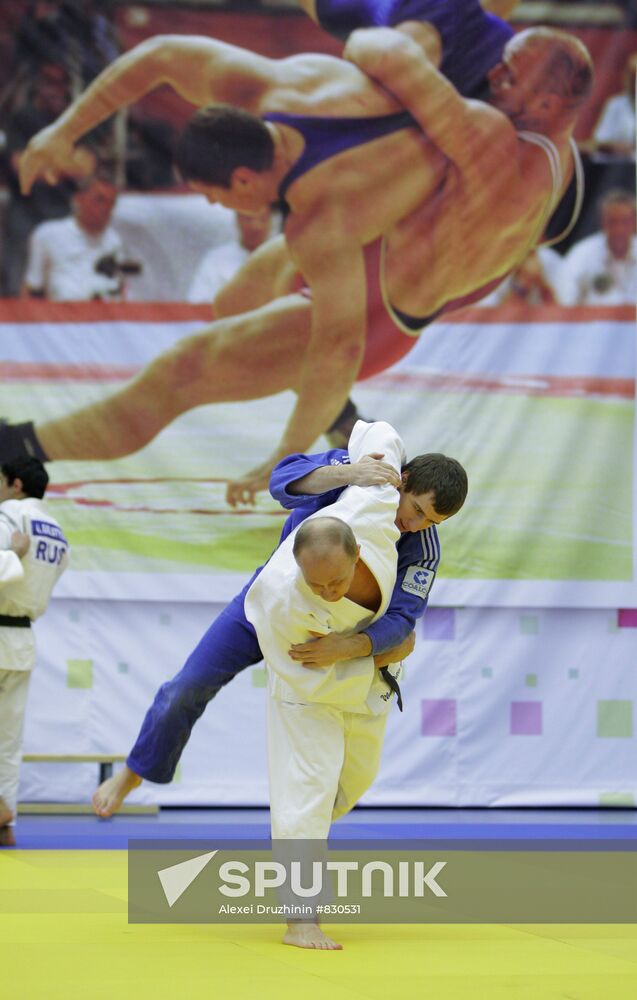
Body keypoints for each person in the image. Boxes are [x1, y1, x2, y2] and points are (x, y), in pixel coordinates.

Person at [13, 20, 592, 495]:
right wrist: (61, 131)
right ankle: (335, 411)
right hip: (382, 243)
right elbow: (163, 54)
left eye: (508, 74)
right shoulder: (301, 85)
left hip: (381, 307)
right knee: (233, 298)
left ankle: (18, 446)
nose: (493, 77)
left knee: (183, 371)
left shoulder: (483, 142)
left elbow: (386, 50)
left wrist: (283, 461)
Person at [91, 433, 468, 836]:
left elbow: (403, 619)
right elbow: (281, 480)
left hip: (330, 640)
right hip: (271, 606)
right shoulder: (362, 471)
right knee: (187, 687)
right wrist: (349, 474)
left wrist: (351, 646)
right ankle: (135, 771)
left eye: (432, 521)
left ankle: (304, 832)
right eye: (416, 509)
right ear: (403, 478)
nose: (415, 524)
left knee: (351, 772)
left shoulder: (422, 547)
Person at [244, 419, 424, 949]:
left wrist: (366, 463)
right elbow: (305, 674)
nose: (326, 592)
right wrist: (370, 655)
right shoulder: (279, 598)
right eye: (315, 583)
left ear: (356, 554)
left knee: (354, 782)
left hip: (366, 683)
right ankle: (300, 918)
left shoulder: (372, 508)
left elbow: (380, 431)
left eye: (336, 581)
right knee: (309, 790)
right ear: (295, 565)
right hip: (310, 694)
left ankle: (299, 831)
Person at [0, 457, 70, 847]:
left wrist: (12, 555)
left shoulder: (8, 517)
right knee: (8, 738)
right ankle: (5, 813)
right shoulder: (58, 532)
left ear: (16, 484)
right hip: (22, 638)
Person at [22, 173, 124, 301]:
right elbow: (32, 290)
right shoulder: (48, 235)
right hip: (61, 315)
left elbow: (120, 288)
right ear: (79, 199)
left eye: (111, 203)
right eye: (100, 200)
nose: (106, 208)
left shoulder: (114, 241)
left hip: (106, 316)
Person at [557, 188, 636, 306]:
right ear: (602, 223)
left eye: (625, 222)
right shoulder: (582, 254)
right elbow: (564, 300)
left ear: (635, 222)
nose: (619, 229)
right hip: (592, 322)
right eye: (612, 222)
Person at [187, 208, 277, 304]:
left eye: (262, 219)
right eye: (248, 219)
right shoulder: (216, 259)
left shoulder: (284, 257)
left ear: (271, 221)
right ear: (237, 220)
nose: (255, 226)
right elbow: (197, 303)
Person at [592, 53, 636, 157]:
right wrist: (622, 148)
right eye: (632, 76)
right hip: (620, 167)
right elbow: (599, 142)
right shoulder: (616, 105)